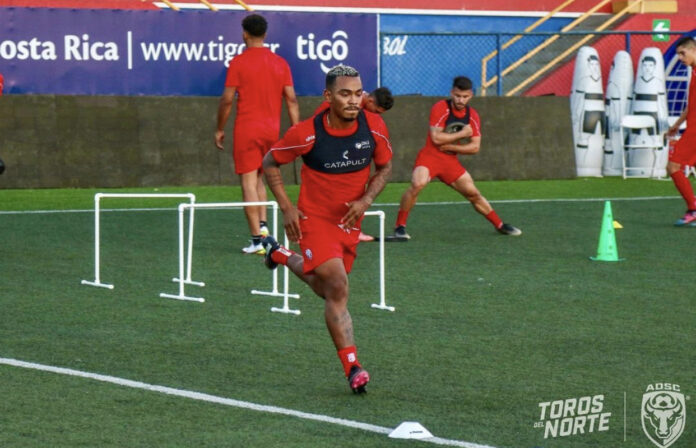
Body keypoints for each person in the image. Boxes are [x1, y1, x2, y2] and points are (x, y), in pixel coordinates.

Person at [260, 65, 392, 393]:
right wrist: (287, 208)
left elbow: (385, 167)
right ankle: (353, 367)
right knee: (337, 285)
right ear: (328, 96)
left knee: (326, 290)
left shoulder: (374, 127)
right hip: (314, 220)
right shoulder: (306, 133)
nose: (353, 100)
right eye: (345, 94)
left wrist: (365, 200)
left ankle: (279, 254)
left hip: (349, 222)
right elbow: (269, 162)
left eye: (358, 93)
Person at [392, 76, 521, 240]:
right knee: (418, 183)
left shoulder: (472, 115)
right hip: (430, 156)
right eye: (458, 96)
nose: (461, 100)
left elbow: (475, 147)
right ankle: (400, 226)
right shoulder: (441, 108)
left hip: (450, 161)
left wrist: (451, 147)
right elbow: (436, 138)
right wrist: (463, 134)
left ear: (471, 95)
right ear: (452, 93)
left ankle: (500, 225)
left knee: (473, 193)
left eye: (465, 96)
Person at [215, 13, 300, 254]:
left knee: (248, 182)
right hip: (271, 131)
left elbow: (227, 100)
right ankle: (263, 230)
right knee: (261, 177)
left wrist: (219, 128)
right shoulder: (280, 63)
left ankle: (256, 240)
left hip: (247, 129)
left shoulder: (238, 62)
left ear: (244, 34)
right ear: (265, 34)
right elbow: (291, 99)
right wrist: (296, 130)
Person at [315, 86, 394, 242]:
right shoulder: (341, 104)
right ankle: (318, 227)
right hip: (329, 154)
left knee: (358, 186)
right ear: (370, 101)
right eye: (376, 111)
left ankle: (353, 228)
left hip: (354, 154)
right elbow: (317, 123)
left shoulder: (370, 121)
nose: (377, 115)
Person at [666, 36, 696, 226]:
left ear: (693, 50)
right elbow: (691, 105)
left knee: (673, 167)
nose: (680, 58)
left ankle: (693, 208)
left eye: (682, 53)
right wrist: (677, 124)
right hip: (691, 128)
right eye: (678, 54)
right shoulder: (694, 71)